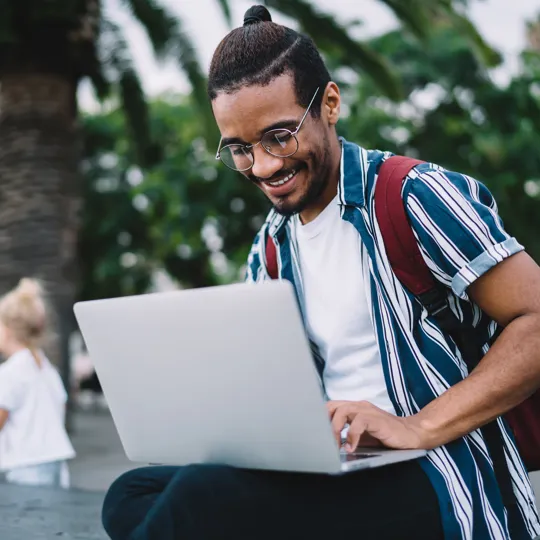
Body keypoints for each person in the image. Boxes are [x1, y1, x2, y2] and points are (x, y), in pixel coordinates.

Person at [101, 5, 540, 540]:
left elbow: (535, 318)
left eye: (279, 136)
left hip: (437, 470)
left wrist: (414, 427)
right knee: (133, 494)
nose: (263, 166)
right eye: (240, 149)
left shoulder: (413, 195)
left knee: (200, 499)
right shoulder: (270, 247)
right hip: (337, 464)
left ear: (329, 103)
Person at [0, 278, 75, 487]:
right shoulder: (46, 369)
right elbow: (61, 407)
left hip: (26, 464)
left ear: (7, 329)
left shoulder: (10, 372)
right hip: (56, 460)